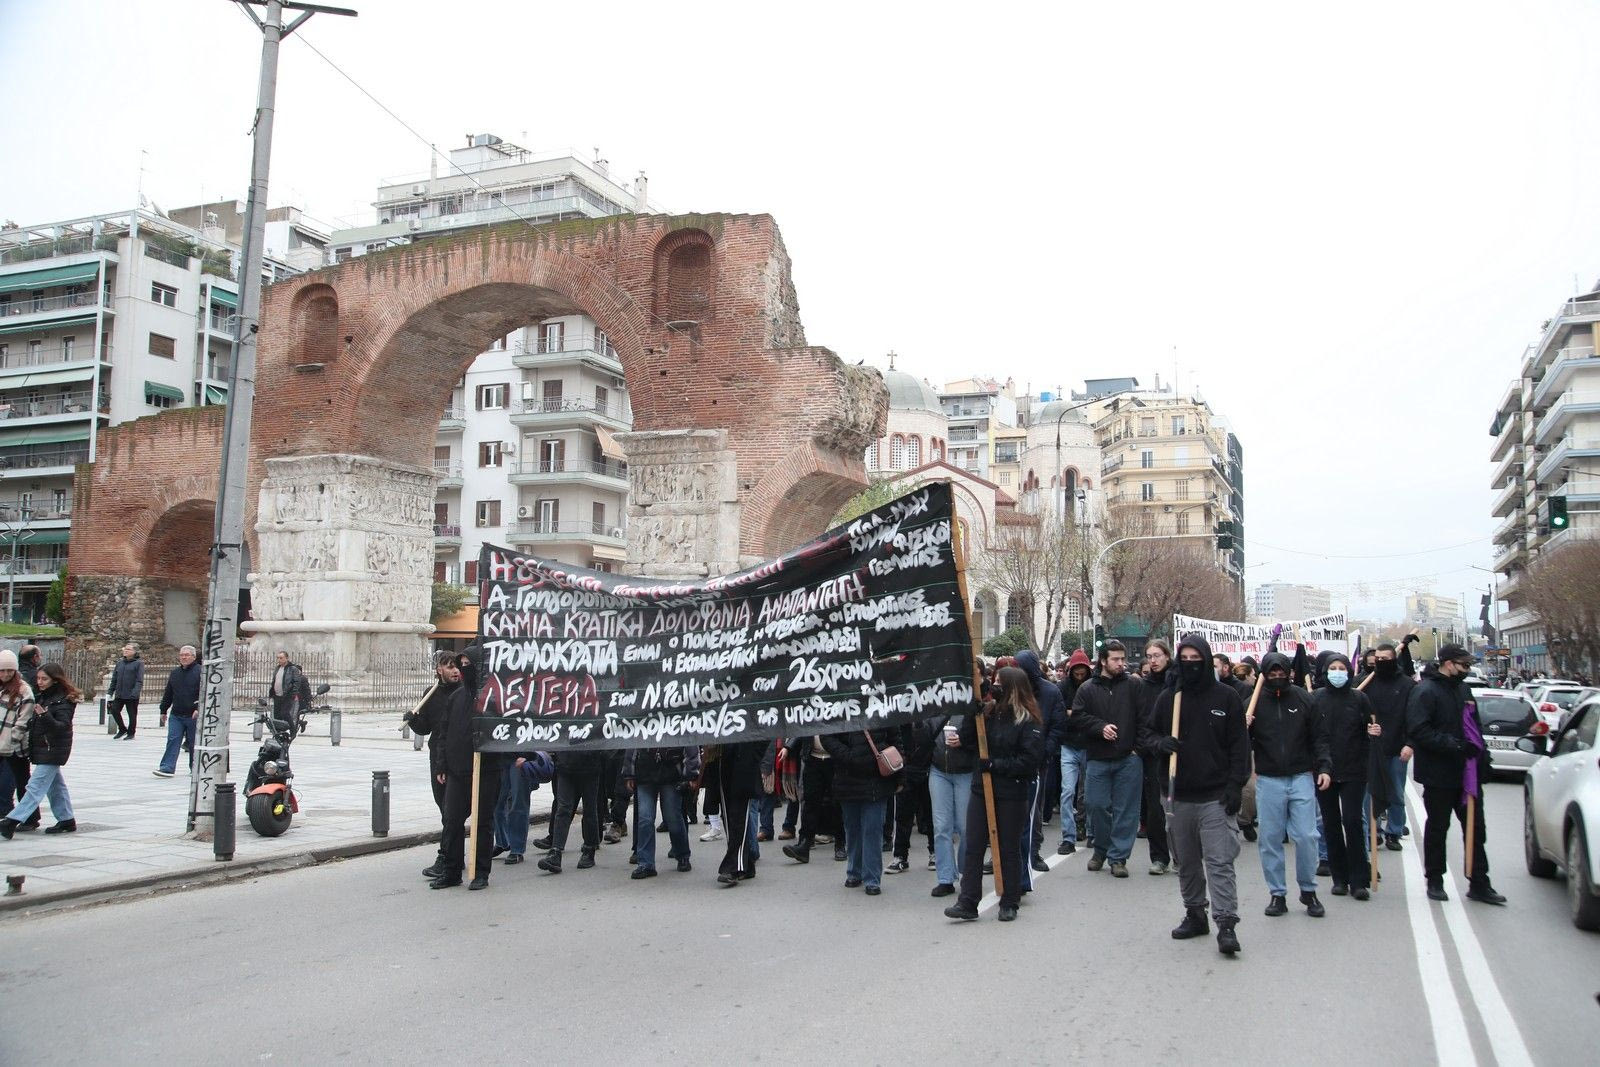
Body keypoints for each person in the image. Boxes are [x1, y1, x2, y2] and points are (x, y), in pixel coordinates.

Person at [1146, 636, 1249, 955]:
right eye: (1185, 658)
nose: (1190, 663)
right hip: (1178, 795)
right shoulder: (1169, 698)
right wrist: (1160, 744)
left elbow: (1239, 747)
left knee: (1219, 861)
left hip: (1215, 795)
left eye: (1196, 658)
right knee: (1187, 861)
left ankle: (1226, 923)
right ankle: (1195, 913)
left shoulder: (1227, 697)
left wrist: (1235, 785)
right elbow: (1148, 735)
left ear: (1205, 660)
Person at [1405, 644, 1505, 905]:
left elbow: (1474, 727)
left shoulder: (1463, 689)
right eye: (1463, 665)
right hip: (1438, 774)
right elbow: (1419, 730)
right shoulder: (1425, 691)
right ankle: (1435, 880)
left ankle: (1479, 882)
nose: (1467, 670)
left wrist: (1483, 759)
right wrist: (1456, 745)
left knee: (1475, 829)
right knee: (1438, 828)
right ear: (1448, 663)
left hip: (1467, 774)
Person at [944, 666, 1045, 922]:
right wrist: (972, 711)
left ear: (1012, 686)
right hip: (981, 789)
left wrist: (995, 765)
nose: (994, 684)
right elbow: (968, 742)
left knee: (1008, 847)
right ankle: (968, 901)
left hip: (1011, 792)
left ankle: (1009, 900)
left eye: (1000, 681)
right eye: (993, 680)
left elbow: (1029, 761)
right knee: (974, 844)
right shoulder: (987, 713)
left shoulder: (1028, 721)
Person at [1249, 651, 1330, 918]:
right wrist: (1243, 726)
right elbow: (1239, 743)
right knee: (1270, 838)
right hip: (1269, 779)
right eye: (1271, 672)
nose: (1276, 676)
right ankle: (1277, 894)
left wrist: (1324, 767)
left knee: (1307, 836)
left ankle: (1308, 890)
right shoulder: (1253, 703)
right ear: (1264, 674)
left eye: (1281, 671)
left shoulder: (1305, 699)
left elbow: (1319, 738)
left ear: (1289, 672)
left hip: (1301, 776)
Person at [1071, 640, 1146, 878]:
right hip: (1097, 758)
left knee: (1127, 810)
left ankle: (1118, 857)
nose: (1121, 663)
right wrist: (1100, 727)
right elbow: (1078, 719)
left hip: (1128, 758)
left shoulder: (1134, 686)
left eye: (1122, 659)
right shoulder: (1087, 689)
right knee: (1096, 805)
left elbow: (1145, 718)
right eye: (1116, 659)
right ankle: (1100, 850)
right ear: (1103, 661)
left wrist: (1137, 747)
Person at [434, 646, 502, 890]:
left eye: (467, 664)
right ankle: (452, 870)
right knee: (452, 820)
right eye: (460, 664)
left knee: (483, 822)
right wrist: (442, 765)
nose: (463, 669)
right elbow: (444, 733)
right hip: (456, 771)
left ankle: (481, 872)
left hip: (485, 771)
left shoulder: (492, 697)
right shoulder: (456, 697)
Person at [1311, 654, 1378, 899]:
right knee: (1330, 824)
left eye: (1342, 668)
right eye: (1333, 668)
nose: (1337, 672)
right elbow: (1312, 735)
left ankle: (1359, 880)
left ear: (1349, 672)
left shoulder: (1360, 698)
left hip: (1354, 770)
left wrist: (1374, 732)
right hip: (1324, 771)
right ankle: (1339, 878)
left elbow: (1369, 730)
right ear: (1326, 672)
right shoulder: (1316, 698)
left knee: (1352, 822)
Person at [1, 661, 79, 837]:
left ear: (55, 680)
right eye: (38, 678)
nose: (40, 682)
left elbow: (62, 726)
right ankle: (66, 819)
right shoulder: (44, 696)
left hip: (53, 750)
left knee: (35, 786)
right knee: (55, 786)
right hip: (44, 748)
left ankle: (12, 820)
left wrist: (44, 716)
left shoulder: (63, 700)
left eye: (44, 679)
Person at [823, 726, 902, 896]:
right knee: (852, 828)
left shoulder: (882, 706)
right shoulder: (838, 707)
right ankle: (854, 871)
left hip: (875, 779)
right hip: (848, 776)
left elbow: (896, 739)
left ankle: (871, 878)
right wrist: (850, 756)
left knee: (872, 829)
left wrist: (900, 777)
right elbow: (827, 737)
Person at [408, 652, 460, 880]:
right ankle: (450, 855)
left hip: (457, 759)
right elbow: (425, 728)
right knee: (444, 809)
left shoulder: (463, 693)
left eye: (457, 667)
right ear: (439, 669)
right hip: (437, 759)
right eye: (450, 667)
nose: (455, 671)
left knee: (452, 813)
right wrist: (413, 719)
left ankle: (446, 858)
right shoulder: (432, 694)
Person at [1363, 642, 1416, 851]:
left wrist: (1410, 744)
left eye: (1385, 659)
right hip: (1371, 748)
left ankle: (1394, 831)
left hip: (1397, 747)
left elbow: (1414, 717)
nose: (1381, 663)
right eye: (1378, 659)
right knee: (1369, 793)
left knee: (1395, 792)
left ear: (1394, 659)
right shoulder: (1366, 683)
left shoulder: (1408, 686)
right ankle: (1372, 830)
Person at [1015, 649, 1063, 878]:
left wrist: (1045, 751)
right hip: (1015, 759)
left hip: (1039, 759)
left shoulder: (1051, 692)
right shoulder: (1014, 690)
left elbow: (1057, 725)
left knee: (1034, 808)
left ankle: (1033, 852)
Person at [623, 742, 700, 878]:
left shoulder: (678, 720)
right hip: (645, 769)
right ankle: (646, 863)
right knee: (645, 818)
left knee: (673, 818)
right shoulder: (642, 719)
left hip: (670, 769)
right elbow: (633, 738)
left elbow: (689, 740)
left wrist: (691, 773)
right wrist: (629, 772)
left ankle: (682, 854)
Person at [926, 707, 976, 897]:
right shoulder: (934, 706)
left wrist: (963, 741)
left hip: (965, 771)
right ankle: (945, 878)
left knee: (966, 827)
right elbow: (925, 737)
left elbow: (980, 739)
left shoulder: (970, 706)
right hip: (939, 769)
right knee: (941, 826)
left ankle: (966, 871)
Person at [1135, 640, 1175, 876]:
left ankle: (1183, 854)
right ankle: (1159, 856)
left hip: (1180, 753)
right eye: (1149, 656)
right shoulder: (1143, 687)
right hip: (1153, 754)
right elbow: (1141, 721)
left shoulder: (1179, 684)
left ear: (1167, 656)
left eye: (1158, 655)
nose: (1153, 660)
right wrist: (1148, 745)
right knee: (1155, 809)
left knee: (1180, 809)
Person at [713, 739, 768, 886]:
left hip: (745, 764)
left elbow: (765, 731)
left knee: (738, 816)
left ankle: (733, 867)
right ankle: (746, 862)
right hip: (723, 761)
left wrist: (754, 757)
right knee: (728, 816)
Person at [1054, 649, 1093, 856]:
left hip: (1089, 745)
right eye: (1076, 672)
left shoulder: (1093, 686)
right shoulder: (1062, 688)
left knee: (1089, 793)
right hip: (1069, 745)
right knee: (1067, 791)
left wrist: (1074, 714)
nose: (1079, 675)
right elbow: (1060, 714)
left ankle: (1090, 830)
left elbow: (1093, 714)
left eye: (1082, 672)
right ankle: (1068, 837)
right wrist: (1078, 715)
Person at [0, 650, 39, 832]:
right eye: (2, 670)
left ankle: (28, 817)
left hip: (14, 746)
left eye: (10, 670)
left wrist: (12, 739)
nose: (6, 674)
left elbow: (24, 720)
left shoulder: (24, 690)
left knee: (19, 781)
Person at [153, 645, 201, 778]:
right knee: (173, 740)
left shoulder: (201, 672)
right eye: (182, 655)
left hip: (193, 714)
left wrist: (198, 708)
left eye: (187, 655)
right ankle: (167, 767)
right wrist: (163, 709)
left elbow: (204, 693)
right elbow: (168, 692)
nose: (184, 657)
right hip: (176, 714)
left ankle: (195, 767)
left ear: (193, 656)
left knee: (193, 742)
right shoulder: (175, 673)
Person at [267, 650, 311, 739]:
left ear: (286, 658)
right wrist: (272, 691)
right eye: (278, 658)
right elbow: (275, 681)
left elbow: (297, 682)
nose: (279, 660)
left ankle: (293, 729)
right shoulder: (277, 668)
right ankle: (278, 733)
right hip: (277, 695)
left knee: (285, 713)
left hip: (287, 695)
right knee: (277, 715)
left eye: (281, 658)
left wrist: (292, 693)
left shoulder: (292, 669)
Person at [107, 643, 144, 740]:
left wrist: (135, 692)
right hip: (120, 693)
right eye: (125, 649)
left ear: (134, 652)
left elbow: (139, 680)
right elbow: (114, 678)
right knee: (114, 710)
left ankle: (131, 733)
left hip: (131, 694)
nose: (125, 651)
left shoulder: (138, 663)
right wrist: (110, 691)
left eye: (128, 649)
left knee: (132, 714)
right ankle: (122, 729)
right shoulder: (120, 663)